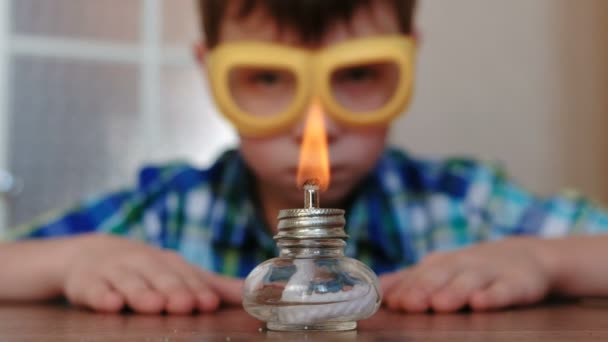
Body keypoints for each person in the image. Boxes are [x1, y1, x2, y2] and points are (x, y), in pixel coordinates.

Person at [1, 0, 607, 315]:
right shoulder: (162, 213)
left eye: (361, 74)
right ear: (212, 73)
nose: (315, 124)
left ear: (407, 60)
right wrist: (73, 259)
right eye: (267, 77)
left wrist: (543, 260)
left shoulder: (462, 206)